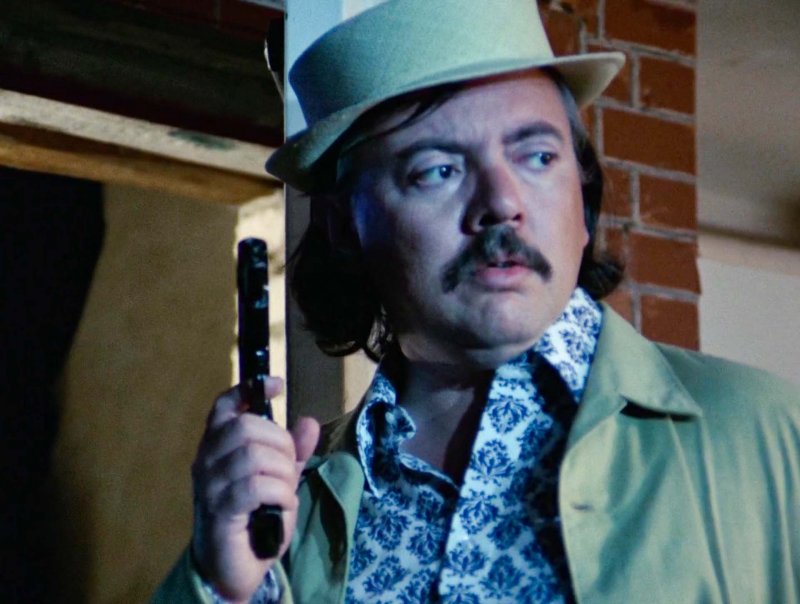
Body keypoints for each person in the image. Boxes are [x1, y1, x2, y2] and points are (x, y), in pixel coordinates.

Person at [154, 1, 800, 602]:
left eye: (538, 157)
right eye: (438, 170)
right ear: (345, 227)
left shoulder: (763, 432)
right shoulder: (292, 511)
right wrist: (219, 587)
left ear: (582, 201)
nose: (502, 202)